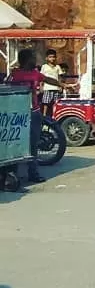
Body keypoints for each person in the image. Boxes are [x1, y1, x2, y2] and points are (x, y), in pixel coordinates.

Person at [5, 48, 47, 186]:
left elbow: (47, 79)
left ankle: (33, 173)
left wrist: (63, 84)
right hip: (18, 115)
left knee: (33, 144)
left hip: (34, 112)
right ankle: (12, 173)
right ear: (27, 60)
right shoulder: (14, 75)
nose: (35, 59)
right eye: (33, 57)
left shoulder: (35, 73)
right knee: (15, 143)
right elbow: (7, 90)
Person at [39, 48, 63, 119]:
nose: (52, 58)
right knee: (46, 103)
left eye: (53, 57)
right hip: (47, 88)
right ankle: (44, 116)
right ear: (46, 58)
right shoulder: (44, 67)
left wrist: (60, 86)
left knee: (55, 103)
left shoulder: (57, 67)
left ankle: (54, 116)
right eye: (50, 57)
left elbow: (59, 78)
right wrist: (41, 86)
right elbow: (41, 78)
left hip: (56, 88)